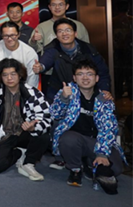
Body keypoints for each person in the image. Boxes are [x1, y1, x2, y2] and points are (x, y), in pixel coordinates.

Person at [51, 60, 126, 194]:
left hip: (96, 141)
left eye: (89, 74)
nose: (85, 78)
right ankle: (75, 169)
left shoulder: (104, 99)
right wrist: (63, 98)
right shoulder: (67, 92)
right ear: (74, 78)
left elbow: (108, 128)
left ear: (97, 78)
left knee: (116, 169)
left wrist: (102, 153)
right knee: (68, 140)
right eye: (80, 74)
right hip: (75, 139)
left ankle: (88, 162)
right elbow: (55, 115)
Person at [0, 58, 51, 181]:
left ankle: (28, 163)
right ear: (0, 77)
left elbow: (46, 119)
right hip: (3, 136)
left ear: (20, 75)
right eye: (5, 75)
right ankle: (19, 153)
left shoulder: (33, 93)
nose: (9, 78)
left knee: (43, 135)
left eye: (13, 74)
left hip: (25, 134)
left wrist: (33, 127)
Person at [35, 18, 112, 103]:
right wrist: (41, 67)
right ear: (56, 35)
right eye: (60, 31)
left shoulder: (88, 50)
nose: (64, 34)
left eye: (68, 30)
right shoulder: (53, 48)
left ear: (75, 33)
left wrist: (104, 90)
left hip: (86, 92)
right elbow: (46, 60)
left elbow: (103, 73)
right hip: (59, 91)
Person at [0, 22, 39, 90]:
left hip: (22, 88)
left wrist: (27, 93)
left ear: (18, 34)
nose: (9, 39)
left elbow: (32, 79)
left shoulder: (29, 52)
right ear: (2, 36)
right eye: (6, 36)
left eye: (12, 35)